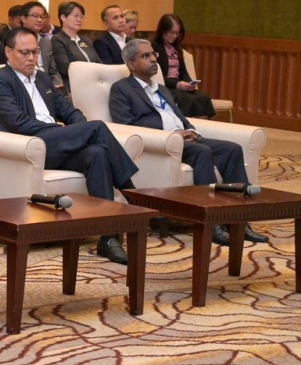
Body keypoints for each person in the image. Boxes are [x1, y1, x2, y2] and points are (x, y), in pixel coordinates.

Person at [0, 27, 139, 264]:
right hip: (30, 147)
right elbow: (18, 123)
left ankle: (108, 239)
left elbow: (70, 111)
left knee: (97, 152)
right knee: (97, 127)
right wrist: (65, 132)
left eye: (35, 52)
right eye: (24, 52)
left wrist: (75, 131)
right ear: (8, 51)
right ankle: (134, 196)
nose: (31, 58)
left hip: (57, 144)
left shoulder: (43, 78)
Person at [110, 39, 268, 246]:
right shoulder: (122, 89)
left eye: (153, 54)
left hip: (185, 138)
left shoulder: (161, 88)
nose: (153, 59)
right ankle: (213, 223)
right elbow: (126, 124)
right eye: (145, 56)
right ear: (131, 64)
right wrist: (174, 135)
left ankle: (239, 221)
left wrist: (190, 130)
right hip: (164, 143)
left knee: (232, 149)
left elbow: (181, 118)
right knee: (202, 152)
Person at [152, 14, 215, 118]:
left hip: (179, 85)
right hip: (165, 86)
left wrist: (189, 83)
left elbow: (183, 72)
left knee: (203, 97)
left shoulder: (177, 49)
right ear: (163, 30)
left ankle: (203, 128)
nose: (174, 36)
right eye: (172, 33)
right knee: (182, 98)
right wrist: (177, 84)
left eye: (177, 33)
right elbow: (155, 76)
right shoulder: (153, 47)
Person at [51, 0, 101, 94]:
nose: (79, 19)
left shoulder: (86, 40)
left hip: (94, 86)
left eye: (81, 17)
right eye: (76, 16)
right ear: (63, 17)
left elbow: (99, 63)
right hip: (73, 89)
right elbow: (65, 68)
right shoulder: (58, 40)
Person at [18, 1, 63, 88]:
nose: (40, 20)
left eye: (42, 17)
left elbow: (53, 71)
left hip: (47, 87)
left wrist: (58, 84)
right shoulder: (15, 41)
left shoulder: (46, 43)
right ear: (23, 18)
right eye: (35, 16)